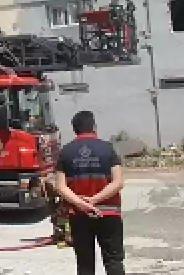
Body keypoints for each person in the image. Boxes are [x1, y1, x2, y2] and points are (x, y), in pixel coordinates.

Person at [55, 111, 125, 275]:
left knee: (85, 263)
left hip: (79, 215)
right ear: (94, 127)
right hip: (109, 214)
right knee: (113, 261)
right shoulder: (107, 149)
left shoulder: (66, 152)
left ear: (75, 130)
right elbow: (118, 182)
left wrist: (82, 204)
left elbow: (60, 186)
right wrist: (94, 200)